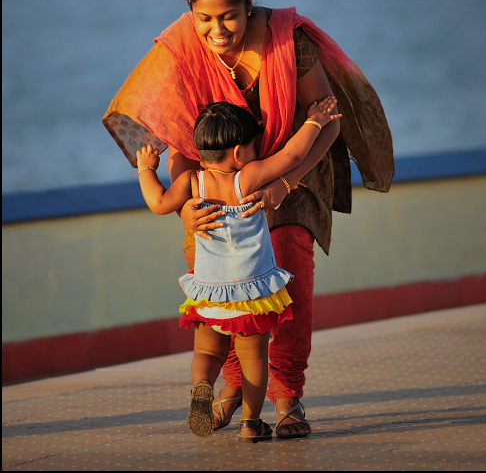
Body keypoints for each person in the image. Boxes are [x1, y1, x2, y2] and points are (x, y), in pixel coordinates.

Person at [103, 0, 394, 439]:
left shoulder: (288, 40)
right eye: (204, 19)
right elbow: (179, 135)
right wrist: (189, 212)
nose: (217, 30)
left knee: (289, 279)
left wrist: (284, 183)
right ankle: (234, 395)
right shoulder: (181, 48)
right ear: (191, 13)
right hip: (215, 182)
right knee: (220, 279)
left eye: (229, 17)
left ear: (250, 5)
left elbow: (325, 121)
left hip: (293, 171)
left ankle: (288, 401)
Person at [136, 98, 341, 440]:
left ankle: (203, 386)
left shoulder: (191, 182)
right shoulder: (247, 179)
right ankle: (250, 423)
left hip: (209, 289)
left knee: (207, 351)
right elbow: (291, 156)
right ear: (238, 152)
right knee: (254, 360)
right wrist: (314, 122)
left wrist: (146, 168)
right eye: (253, 146)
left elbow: (157, 203)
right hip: (251, 293)